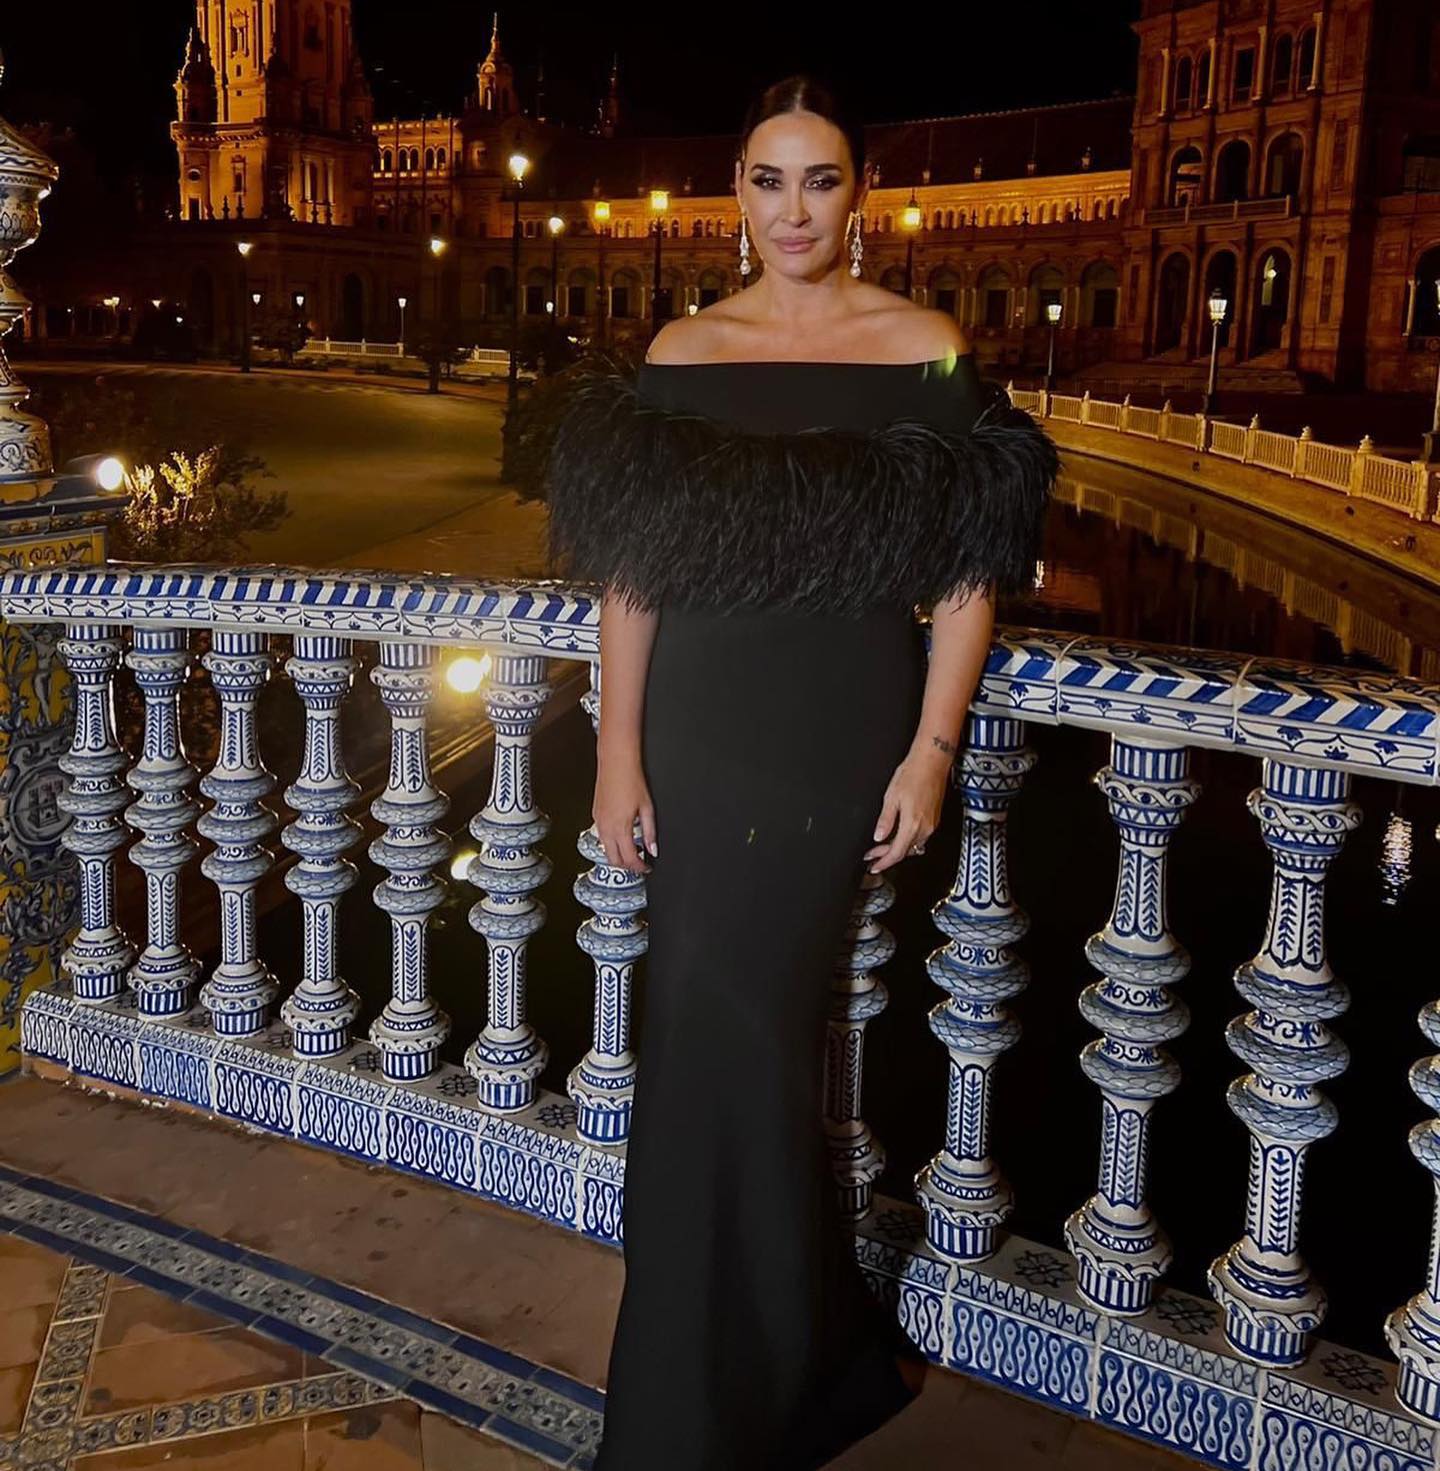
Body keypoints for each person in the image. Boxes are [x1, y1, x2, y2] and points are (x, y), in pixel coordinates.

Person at [506, 73, 1056, 1471]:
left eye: (819, 179)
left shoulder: (923, 344)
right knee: (710, 1048)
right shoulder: (686, 353)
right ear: (735, 196)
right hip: (696, 727)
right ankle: (773, 1368)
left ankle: (716, 1405)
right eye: (766, 179)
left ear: (859, 194)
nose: (792, 209)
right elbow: (632, 575)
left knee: (743, 1045)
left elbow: (976, 569)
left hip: (832, 732)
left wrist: (932, 752)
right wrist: (616, 752)